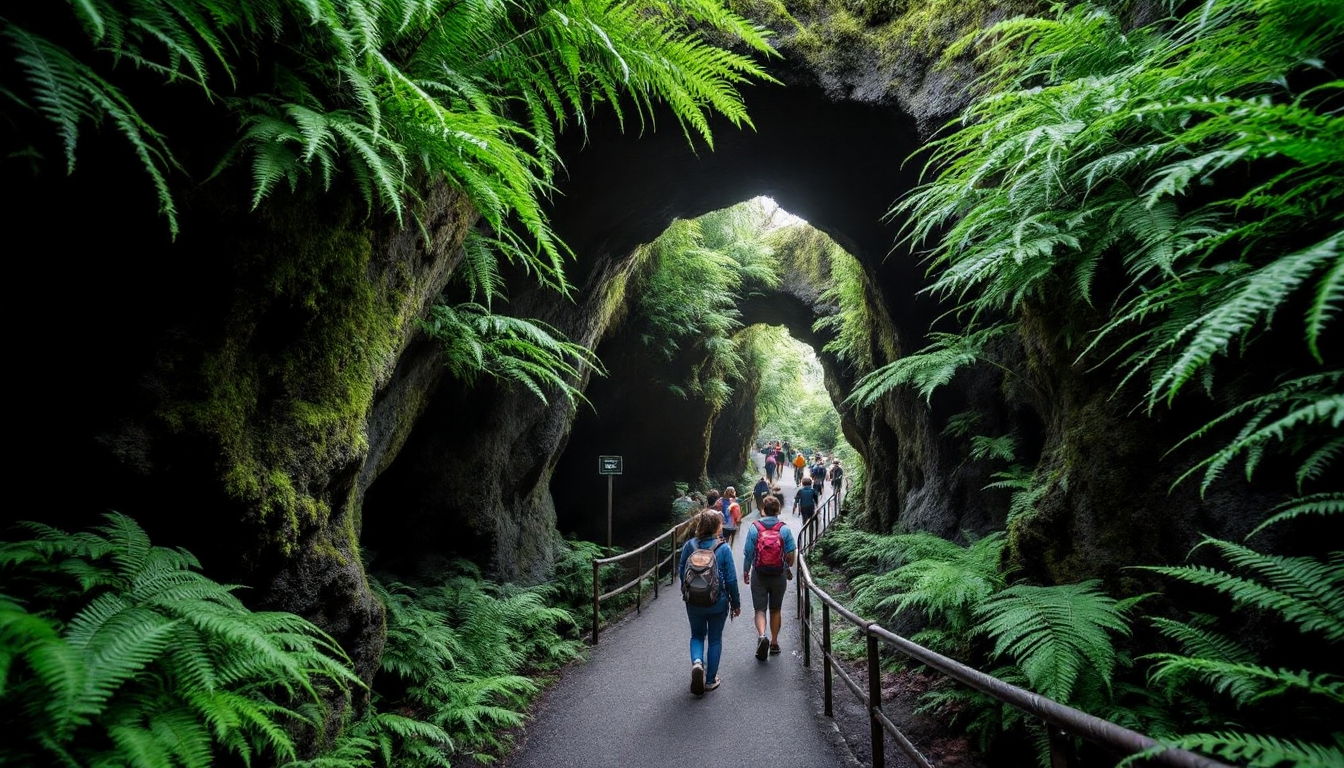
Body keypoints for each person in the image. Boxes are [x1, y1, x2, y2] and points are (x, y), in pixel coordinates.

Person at [680, 510, 742, 694]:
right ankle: (710, 680)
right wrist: (736, 604)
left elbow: (681, 570)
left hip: (694, 602)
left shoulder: (689, 545)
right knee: (715, 639)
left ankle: (697, 663)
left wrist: (686, 593)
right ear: (717, 526)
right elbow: (731, 579)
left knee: (697, 635)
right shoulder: (723, 548)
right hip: (718, 601)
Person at [742, 495, 797, 660]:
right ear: (778, 510)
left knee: (759, 609)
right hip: (778, 575)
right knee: (775, 609)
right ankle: (774, 643)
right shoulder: (784, 529)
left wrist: (746, 571)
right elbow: (791, 555)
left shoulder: (754, 528)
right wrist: (786, 566)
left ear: (763, 510)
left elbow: (748, 553)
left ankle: (761, 635)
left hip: (759, 574)